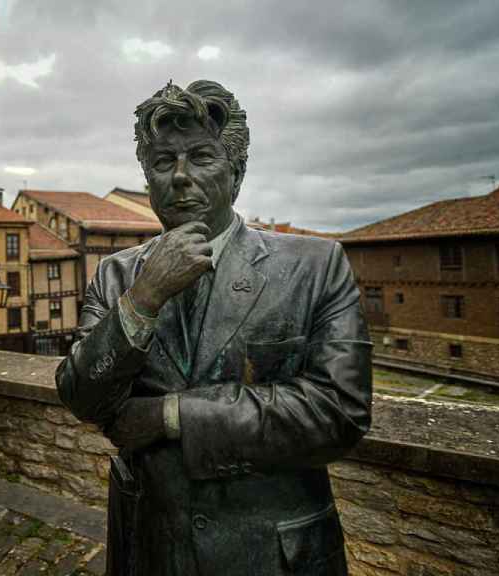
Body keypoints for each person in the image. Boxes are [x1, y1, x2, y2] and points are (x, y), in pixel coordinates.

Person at [55, 80, 372, 575]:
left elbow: (339, 412)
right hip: (152, 548)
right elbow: (80, 395)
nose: (180, 176)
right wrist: (144, 297)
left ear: (237, 172)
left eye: (201, 157)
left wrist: (170, 415)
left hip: (274, 556)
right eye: (163, 162)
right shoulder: (116, 275)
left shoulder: (316, 265)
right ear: (148, 178)